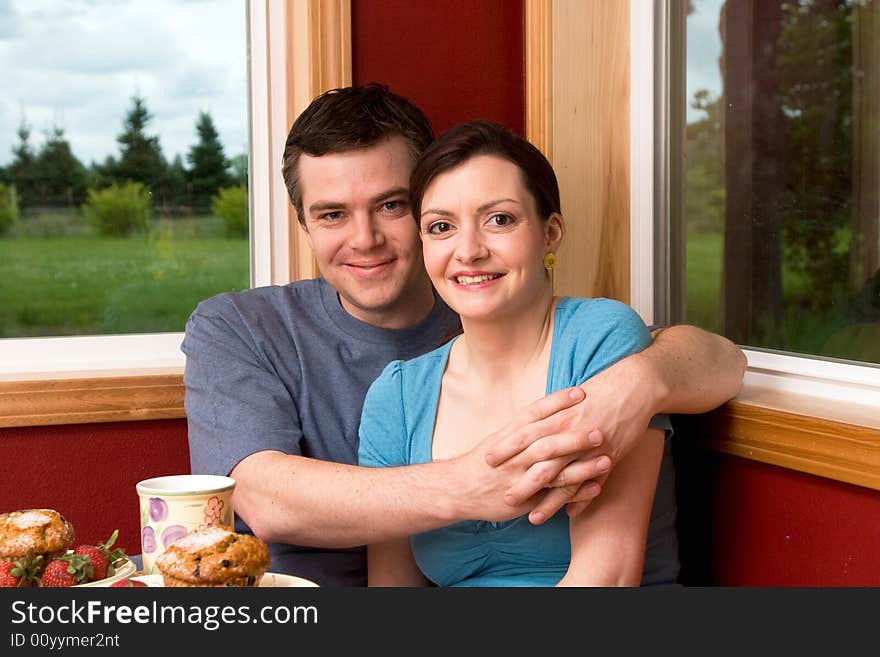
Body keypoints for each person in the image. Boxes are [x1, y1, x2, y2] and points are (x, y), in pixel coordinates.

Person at [182, 83, 747, 587]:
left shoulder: (530, 318)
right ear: (303, 225)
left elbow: (717, 361)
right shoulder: (263, 336)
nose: (365, 239)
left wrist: (645, 378)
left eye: (392, 206)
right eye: (332, 214)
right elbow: (265, 500)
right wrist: (472, 484)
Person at [358, 120, 675, 586]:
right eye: (441, 227)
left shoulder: (599, 340)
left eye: (500, 219)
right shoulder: (398, 395)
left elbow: (607, 578)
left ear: (551, 233)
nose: (468, 251)